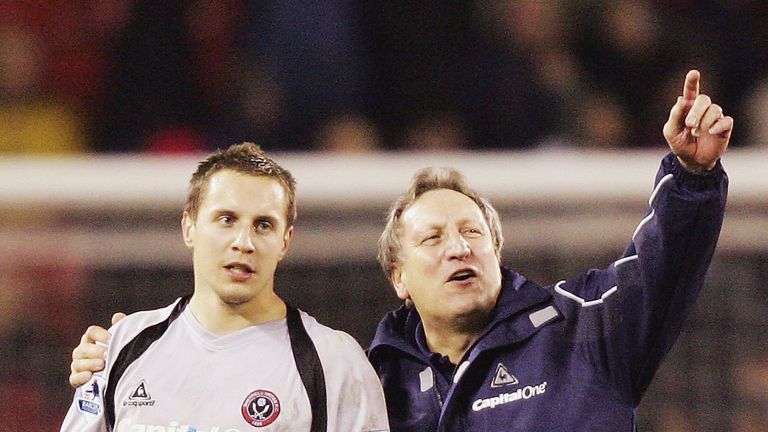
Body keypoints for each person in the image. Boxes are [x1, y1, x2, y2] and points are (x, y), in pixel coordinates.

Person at [70, 70, 732, 431]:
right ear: (399, 277)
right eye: (433, 238)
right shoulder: (377, 378)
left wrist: (691, 178)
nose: (458, 249)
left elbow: (664, 265)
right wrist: (115, 352)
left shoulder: (585, 331)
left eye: (473, 233)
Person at [60, 143, 389, 431]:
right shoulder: (120, 348)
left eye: (263, 225)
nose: (243, 242)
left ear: (285, 242)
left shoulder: (335, 362)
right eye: (227, 219)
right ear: (189, 227)